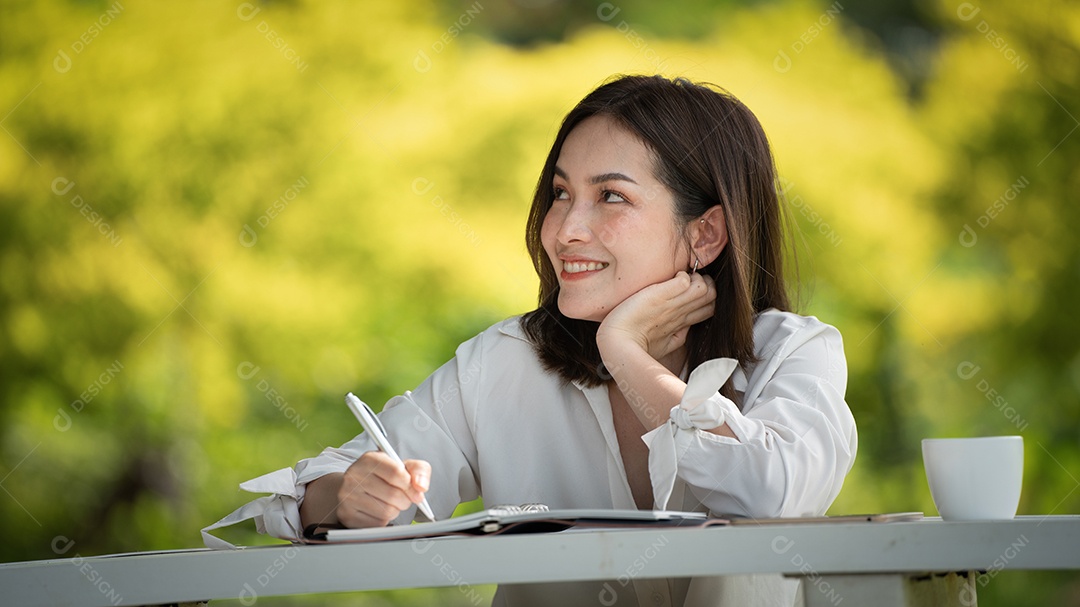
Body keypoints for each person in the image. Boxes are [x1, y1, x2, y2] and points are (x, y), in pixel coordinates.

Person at [206, 74, 857, 606]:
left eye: (610, 197)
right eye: (560, 193)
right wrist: (347, 498)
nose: (566, 228)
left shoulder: (793, 355)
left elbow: (768, 491)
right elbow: (318, 491)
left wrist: (624, 353)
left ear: (706, 235)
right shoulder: (505, 362)